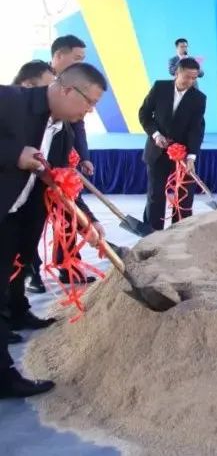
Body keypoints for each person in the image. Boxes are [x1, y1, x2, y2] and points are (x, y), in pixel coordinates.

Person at [0, 63, 109, 398]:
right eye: (89, 102)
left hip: (15, 221)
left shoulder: (63, 132)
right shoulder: (10, 100)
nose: (90, 111)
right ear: (67, 90)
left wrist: (88, 222)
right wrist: (13, 155)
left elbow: (61, 182)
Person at [139, 58, 206, 230]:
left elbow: (196, 129)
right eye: (187, 77)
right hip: (157, 150)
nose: (190, 81)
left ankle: (179, 232)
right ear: (177, 73)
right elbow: (144, 114)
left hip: (182, 154)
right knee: (156, 194)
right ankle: (153, 233)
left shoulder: (199, 98)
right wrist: (156, 135)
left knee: (184, 196)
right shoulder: (160, 87)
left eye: (194, 78)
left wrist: (191, 156)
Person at [11, 60, 57, 294]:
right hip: (8, 204)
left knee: (22, 254)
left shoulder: (55, 124)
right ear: (28, 86)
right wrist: (15, 155)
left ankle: (18, 305)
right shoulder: (7, 112)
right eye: (48, 88)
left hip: (29, 202)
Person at [49, 35, 94, 178]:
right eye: (77, 58)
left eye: (82, 59)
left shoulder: (75, 85)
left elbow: (77, 124)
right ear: (59, 55)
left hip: (62, 160)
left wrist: (84, 157)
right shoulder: (37, 77)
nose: (80, 64)